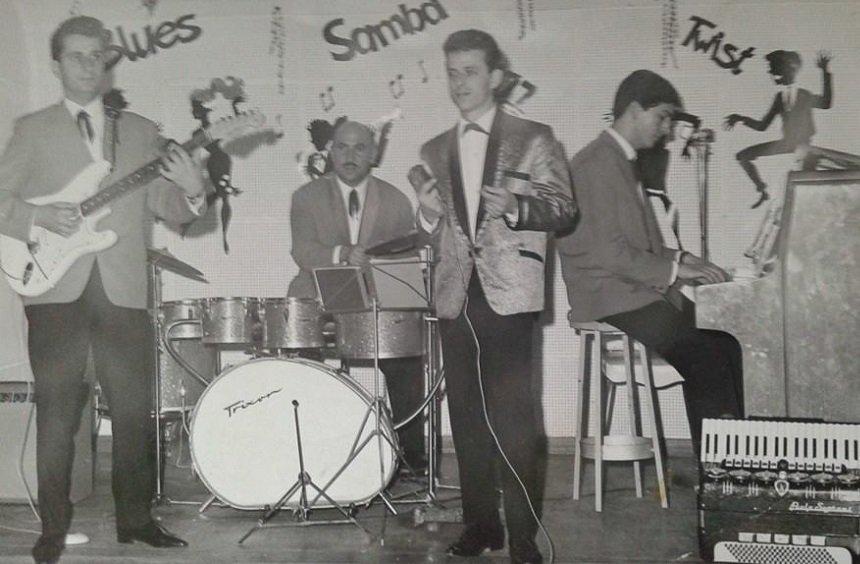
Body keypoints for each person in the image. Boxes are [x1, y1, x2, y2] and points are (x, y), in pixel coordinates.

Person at [0, 16, 206, 564]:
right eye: (77, 56)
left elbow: (171, 208)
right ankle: (52, 528)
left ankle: (137, 521)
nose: (90, 66)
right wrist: (41, 216)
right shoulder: (32, 129)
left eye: (98, 56)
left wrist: (194, 190)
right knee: (58, 416)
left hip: (121, 292)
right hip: (54, 289)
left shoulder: (140, 131)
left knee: (135, 411)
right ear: (56, 65)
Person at [414, 29, 576, 564]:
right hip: (454, 295)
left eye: (470, 72)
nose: (459, 82)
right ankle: (480, 526)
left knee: (515, 421)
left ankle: (524, 538)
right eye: (452, 72)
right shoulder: (434, 149)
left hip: (509, 294)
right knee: (466, 416)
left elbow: (563, 210)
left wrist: (516, 206)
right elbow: (441, 228)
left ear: (497, 78)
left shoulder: (534, 137)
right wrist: (428, 213)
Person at [556, 69, 744, 459]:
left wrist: (686, 260)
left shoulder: (620, 161)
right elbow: (609, 254)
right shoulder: (595, 164)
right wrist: (676, 271)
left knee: (728, 341)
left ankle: (737, 465)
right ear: (634, 109)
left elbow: (640, 245)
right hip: (610, 297)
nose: (667, 129)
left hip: (631, 291)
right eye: (662, 117)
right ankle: (718, 476)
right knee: (707, 357)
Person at [287, 120, 427, 473]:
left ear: (374, 154)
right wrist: (342, 253)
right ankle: (309, 454)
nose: (350, 156)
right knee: (301, 359)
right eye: (343, 147)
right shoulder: (304, 197)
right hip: (318, 298)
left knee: (406, 355)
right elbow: (302, 251)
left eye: (360, 148)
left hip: (375, 305)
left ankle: (411, 459)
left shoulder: (396, 200)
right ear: (330, 151)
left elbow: (402, 263)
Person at [724, 50, 832, 208]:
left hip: (803, 145)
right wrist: (741, 119)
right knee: (742, 156)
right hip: (787, 143)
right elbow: (762, 126)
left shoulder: (804, 95)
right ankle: (763, 192)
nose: (772, 75)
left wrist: (824, 71)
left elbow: (826, 103)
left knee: (803, 185)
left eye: (775, 70)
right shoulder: (779, 99)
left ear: (789, 69)